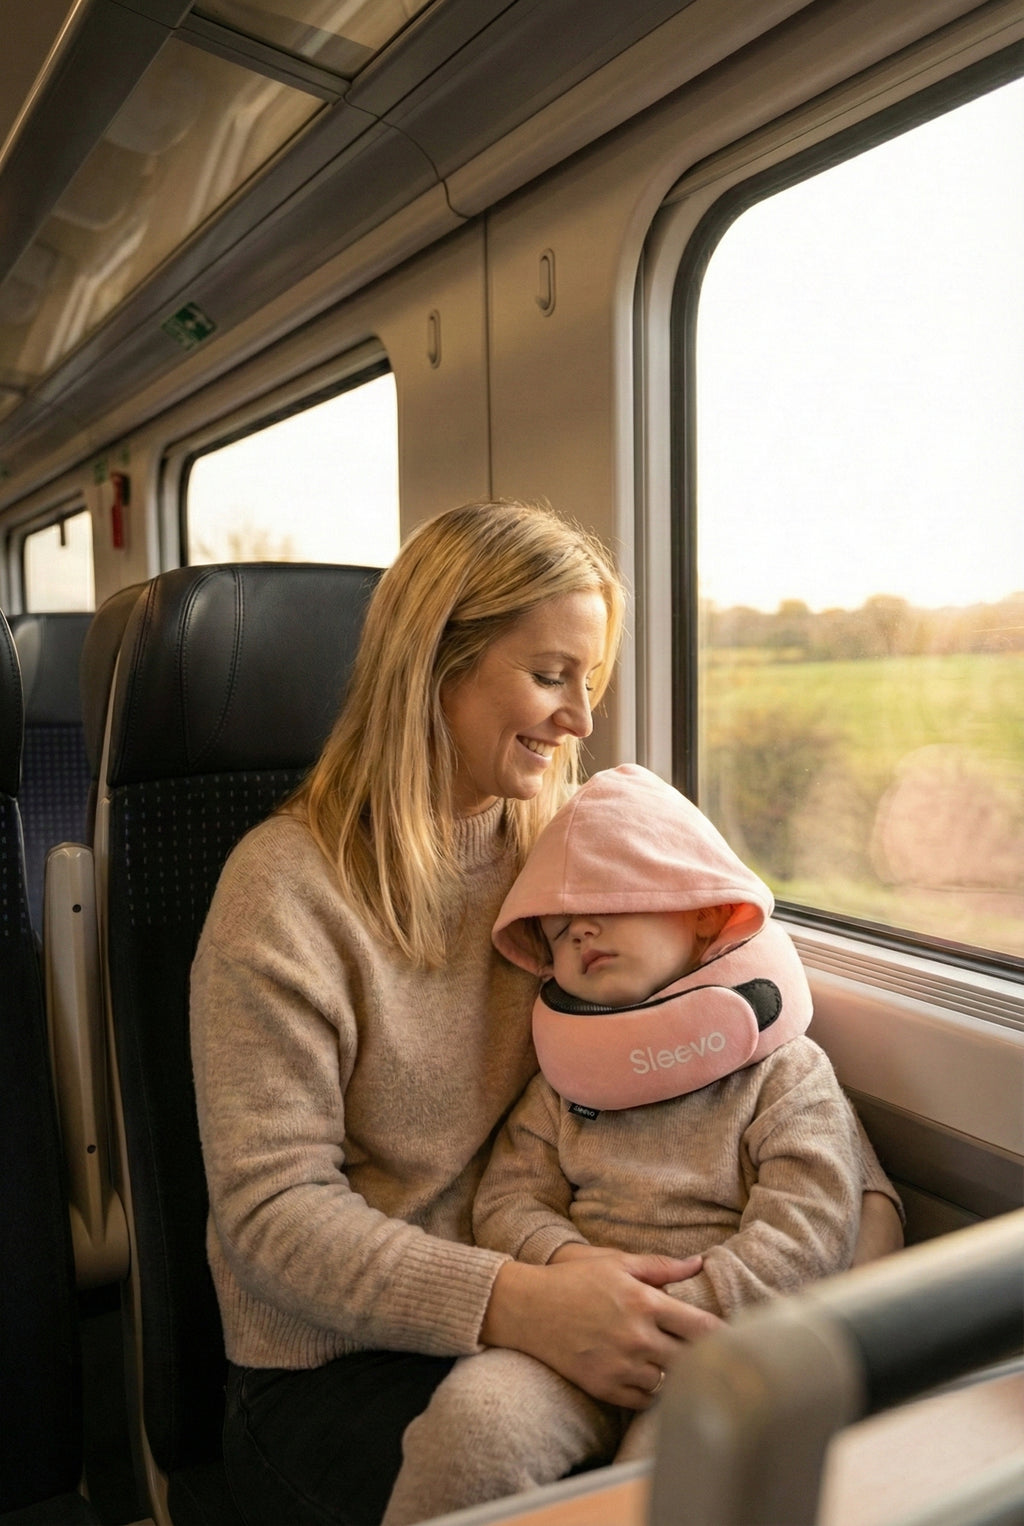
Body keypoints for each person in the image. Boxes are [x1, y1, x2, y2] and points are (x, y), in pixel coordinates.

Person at [190, 500, 902, 1526]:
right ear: (435, 664)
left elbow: (749, 1039)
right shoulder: (284, 890)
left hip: (594, 1294)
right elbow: (271, 1215)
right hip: (352, 1356)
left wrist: (848, 1271)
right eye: (550, 674)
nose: (579, 718)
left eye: (590, 680)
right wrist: (525, 1303)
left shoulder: (573, 863)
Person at [381, 764, 903, 1525]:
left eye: (603, 906)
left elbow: (811, 1227)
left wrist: (677, 1321)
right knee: (470, 1430)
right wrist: (565, 1264)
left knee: (676, 1483)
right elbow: (507, 1200)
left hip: (722, 1349)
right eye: (557, 933)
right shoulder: (564, 1088)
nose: (579, 932)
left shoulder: (785, 1073)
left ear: (701, 912)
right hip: (569, 1337)